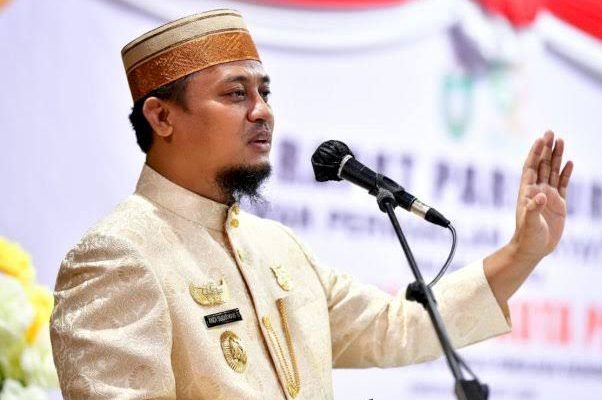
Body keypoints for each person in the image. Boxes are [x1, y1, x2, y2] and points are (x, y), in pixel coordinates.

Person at [49, 9, 574, 400]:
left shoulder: (277, 247)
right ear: (162, 117)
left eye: (265, 92)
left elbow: (398, 327)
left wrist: (523, 252)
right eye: (236, 94)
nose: (263, 112)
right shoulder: (119, 256)